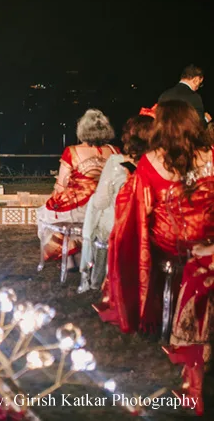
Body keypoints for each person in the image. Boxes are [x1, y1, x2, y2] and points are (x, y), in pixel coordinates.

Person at [96, 101, 213, 414]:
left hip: (177, 247)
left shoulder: (150, 162)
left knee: (154, 243)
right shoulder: (212, 155)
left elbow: (137, 211)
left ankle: (193, 387)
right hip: (210, 244)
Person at [78, 111, 154, 290]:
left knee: (96, 209)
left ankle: (97, 276)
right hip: (150, 225)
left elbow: (101, 201)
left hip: (120, 226)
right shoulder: (160, 161)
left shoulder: (116, 162)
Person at [36, 109, 119, 265]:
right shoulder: (114, 151)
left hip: (78, 209)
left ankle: (69, 257)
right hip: (106, 208)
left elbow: (61, 185)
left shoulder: (72, 151)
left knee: (45, 213)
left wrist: (54, 197)